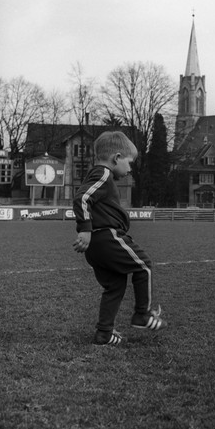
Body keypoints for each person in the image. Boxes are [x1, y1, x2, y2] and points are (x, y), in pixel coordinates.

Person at [73, 131, 167, 345]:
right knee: (144, 266)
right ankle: (142, 314)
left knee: (115, 286)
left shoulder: (98, 176)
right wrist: (85, 228)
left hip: (97, 247)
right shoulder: (103, 175)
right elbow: (82, 197)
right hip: (107, 236)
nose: (130, 168)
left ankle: (104, 333)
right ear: (116, 158)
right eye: (129, 162)